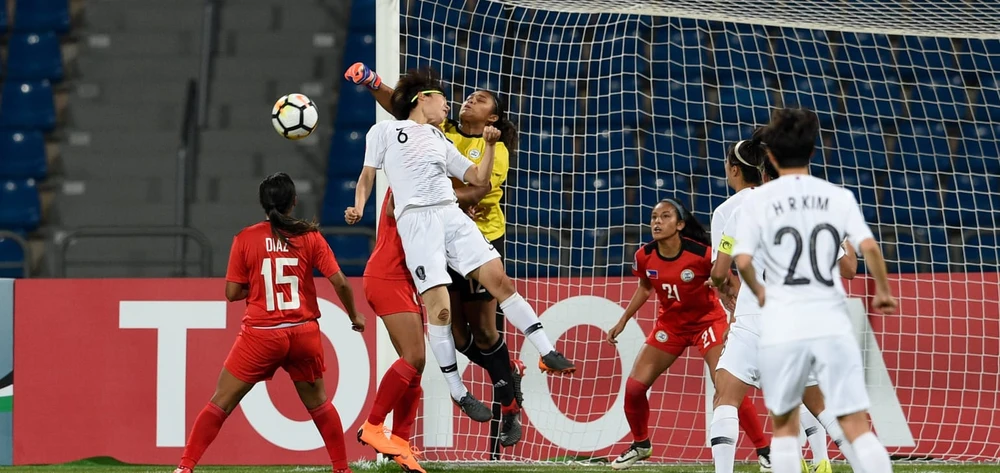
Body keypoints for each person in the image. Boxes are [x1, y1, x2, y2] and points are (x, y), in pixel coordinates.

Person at [345, 67, 575, 433]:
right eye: (445, 99)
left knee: (498, 291)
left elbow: (479, 181)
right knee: (446, 320)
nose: (454, 104)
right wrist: (372, 82)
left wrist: (489, 145)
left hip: (458, 219)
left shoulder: (444, 137)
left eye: (478, 100)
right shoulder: (389, 131)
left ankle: (547, 351)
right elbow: (372, 165)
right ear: (424, 99)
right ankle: (459, 391)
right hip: (419, 224)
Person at [730, 108, 897, 473]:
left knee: (785, 427)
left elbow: (741, 260)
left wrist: (759, 291)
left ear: (771, 158)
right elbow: (868, 249)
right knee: (855, 424)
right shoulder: (837, 196)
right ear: (812, 152)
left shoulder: (757, 201)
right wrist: (883, 291)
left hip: (784, 323)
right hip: (830, 321)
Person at [173, 173, 364, 473]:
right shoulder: (309, 236)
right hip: (303, 334)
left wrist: (259, 288)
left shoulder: (245, 238)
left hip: (262, 336)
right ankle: (342, 469)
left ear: (262, 203)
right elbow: (339, 281)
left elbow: (232, 293)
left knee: (220, 403)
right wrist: (354, 315)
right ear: (294, 202)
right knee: (320, 405)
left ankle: (185, 467)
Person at [707, 133, 863, 473]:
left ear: (763, 174)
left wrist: (719, 283)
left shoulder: (741, 209)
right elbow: (849, 269)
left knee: (726, 399)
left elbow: (719, 271)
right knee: (822, 406)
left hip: (754, 320)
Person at [604, 198, 770, 471]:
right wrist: (623, 320)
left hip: (707, 323)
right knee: (634, 388)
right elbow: (645, 287)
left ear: (680, 224)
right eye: (654, 217)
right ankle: (641, 444)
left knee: (726, 386)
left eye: (665, 216)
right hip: (671, 327)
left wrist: (735, 315)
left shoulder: (702, 254)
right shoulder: (644, 255)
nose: (657, 222)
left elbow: (730, 281)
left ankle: (765, 450)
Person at [355, 188, 426, 473]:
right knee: (414, 357)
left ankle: (400, 443)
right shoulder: (408, 174)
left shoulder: (431, 180)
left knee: (417, 365)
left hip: (403, 279)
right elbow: (391, 209)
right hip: (387, 276)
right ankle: (373, 425)